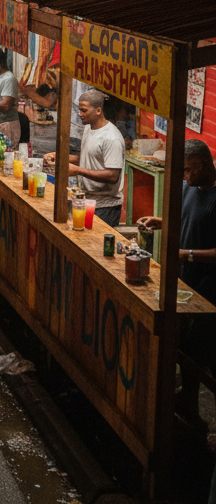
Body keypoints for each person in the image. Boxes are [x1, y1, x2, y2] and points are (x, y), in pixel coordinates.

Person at [141, 139, 216, 424]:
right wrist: (162, 221)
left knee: (200, 351)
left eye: (187, 170)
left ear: (203, 165)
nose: (184, 176)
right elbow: (188, 219)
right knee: (182, 345)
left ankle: (197, 412)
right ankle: (188, 403)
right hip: (184, 283)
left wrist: (188, 254)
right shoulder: (189, 187)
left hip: (209, 288)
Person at [45, 87, 126, 226]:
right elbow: (89, 158)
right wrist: (61, 157)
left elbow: (113, 176)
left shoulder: (111, 138)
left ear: (98, 111)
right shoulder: (89, 127)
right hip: (87, 201)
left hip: (105, 207)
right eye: (79, 110)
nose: (80, 114)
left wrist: (77, 170)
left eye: (84, 110)